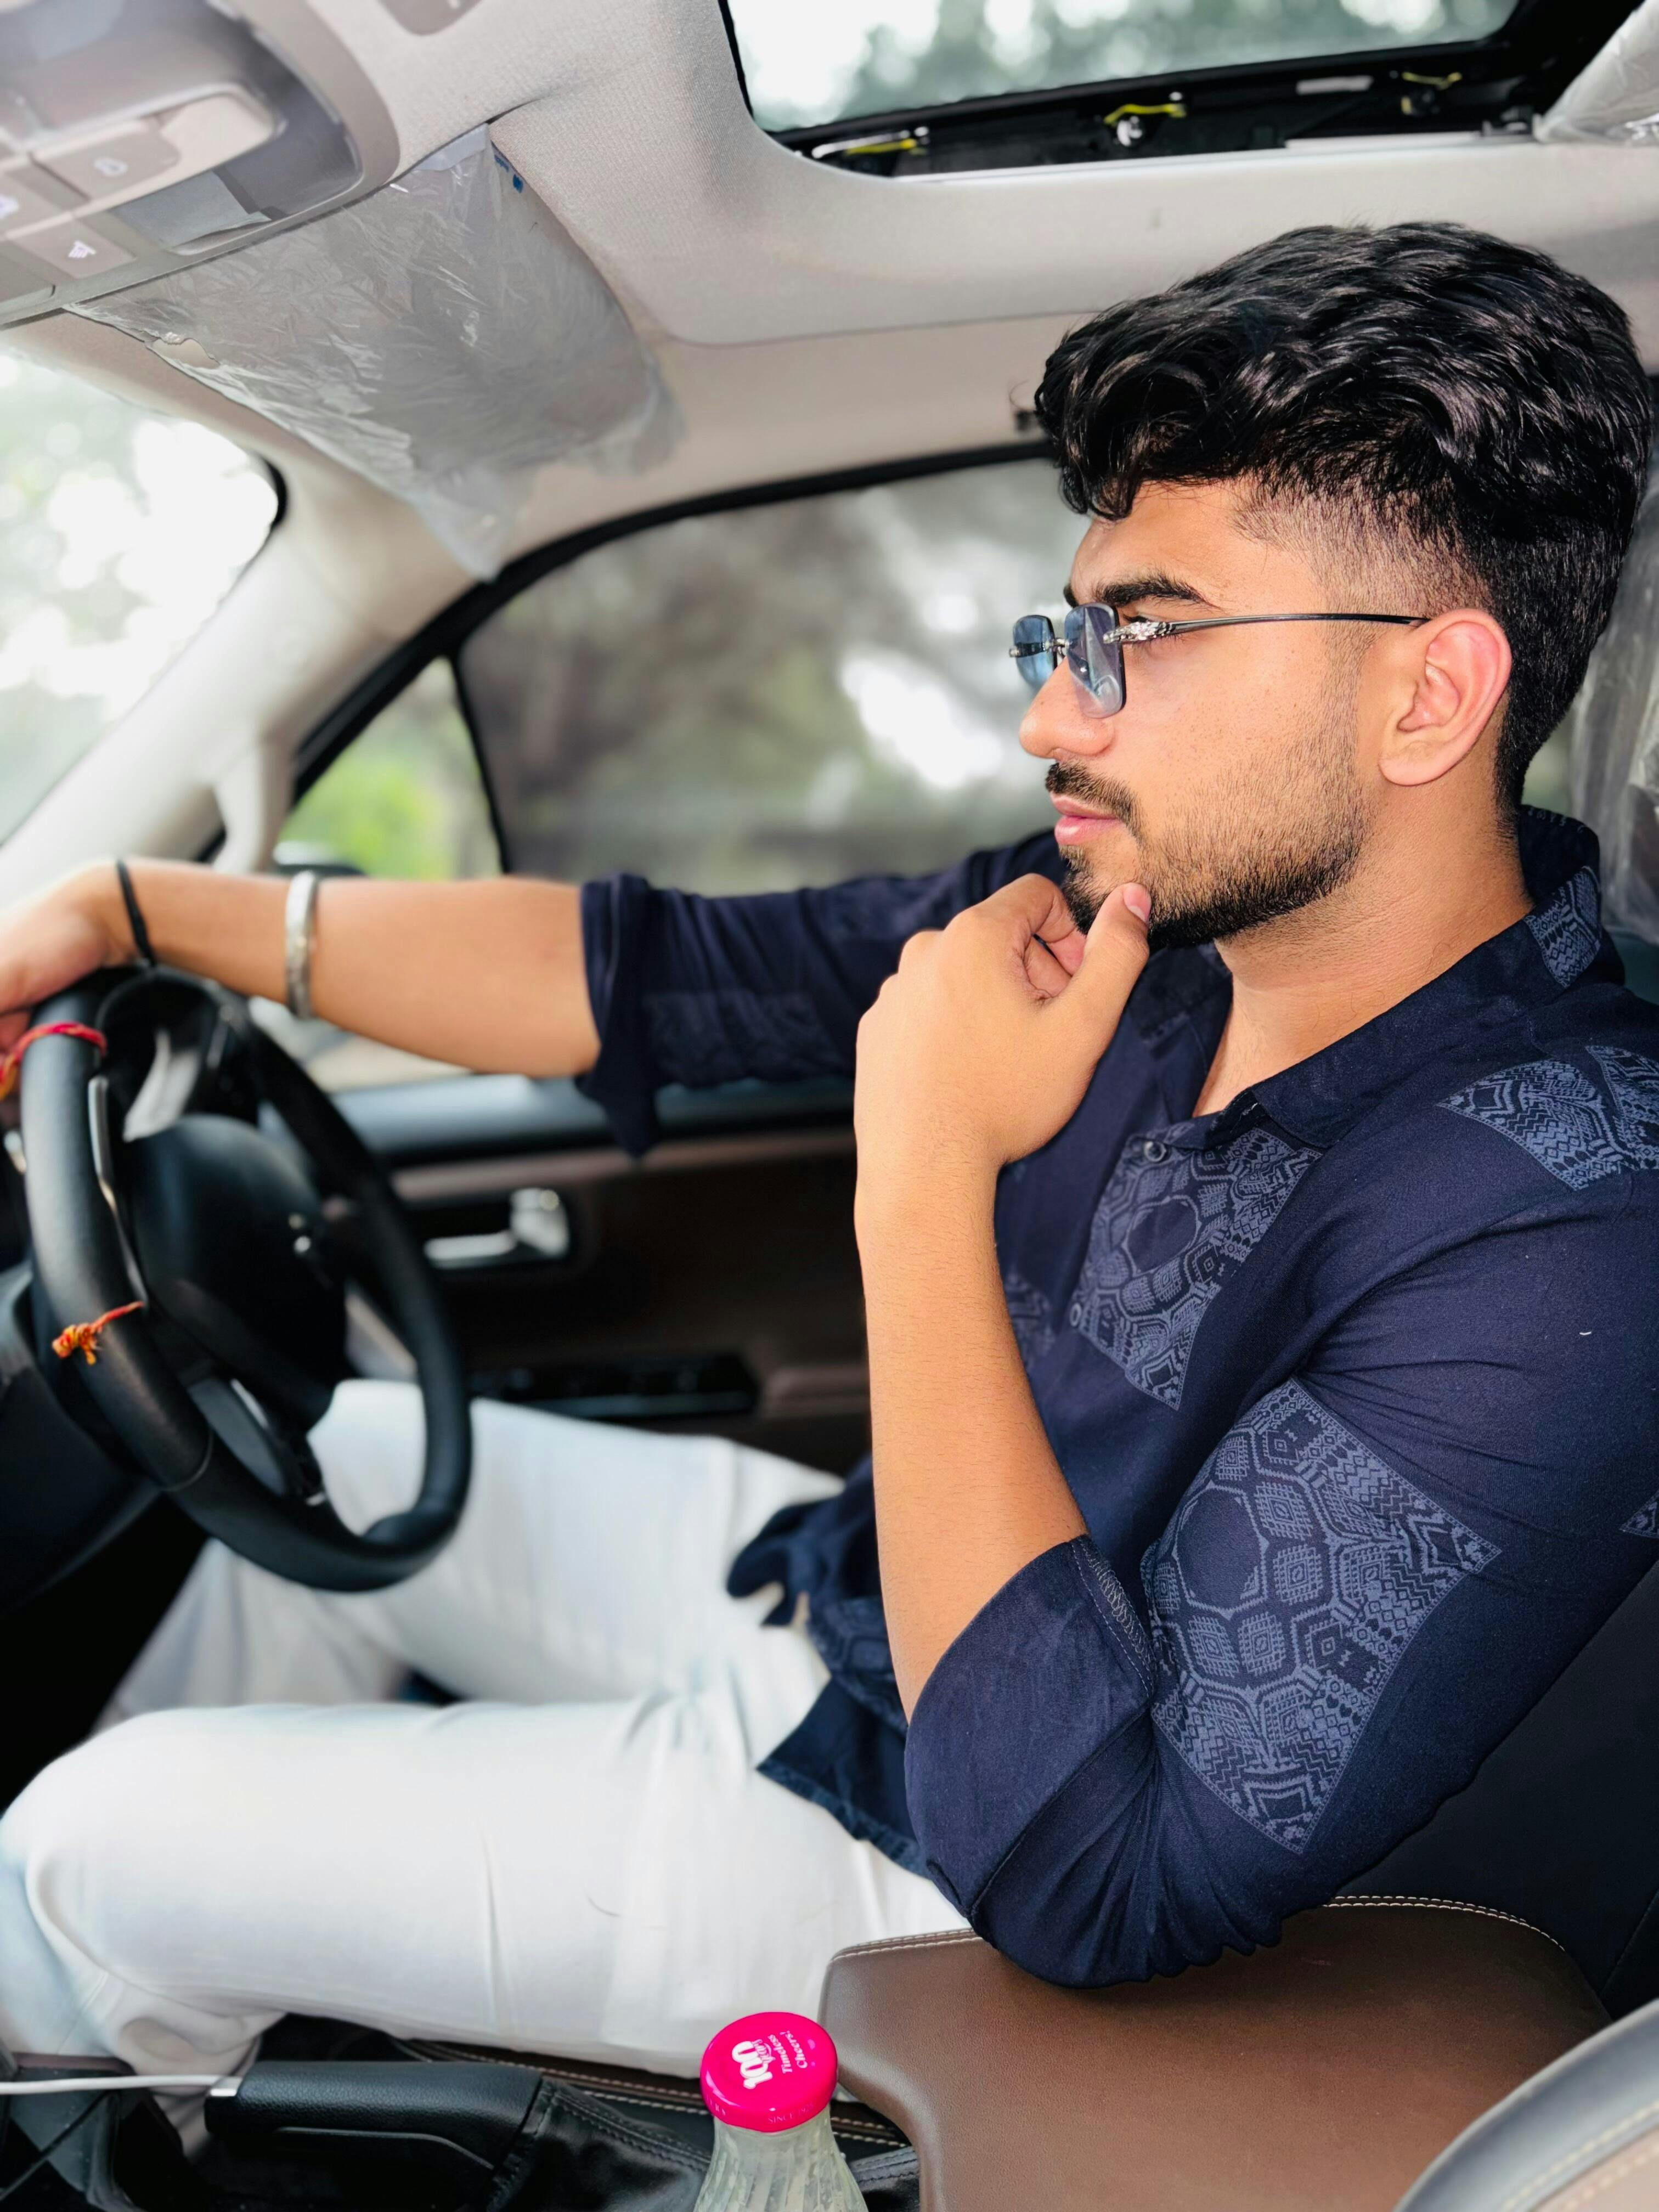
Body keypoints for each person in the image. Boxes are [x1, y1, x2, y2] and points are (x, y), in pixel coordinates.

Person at [0, 220, 1655, 2103]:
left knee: (83, 1845)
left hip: (942, 1856)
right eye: (1068, 634)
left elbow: (1094, 1865)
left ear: (1430, 696)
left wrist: (923, 1166)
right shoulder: (1134, 932)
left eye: (1148, 634)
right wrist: (133, 909)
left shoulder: (1571, 1219)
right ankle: (215, 2090)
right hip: (847, 1593)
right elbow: (655, 977)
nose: (1052, 716)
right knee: (328, 1452)